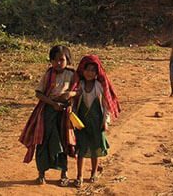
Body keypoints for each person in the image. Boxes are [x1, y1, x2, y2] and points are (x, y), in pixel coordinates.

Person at [19, 45, 77, 187]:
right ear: (51, 61)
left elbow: (79, 91)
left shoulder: (72, 75)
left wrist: (71, 94)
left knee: (64, 142)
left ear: (67, 60)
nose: (58, 63)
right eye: (55, 60)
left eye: (62, 60)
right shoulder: (48, 75)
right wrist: (52, 103)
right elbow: (38, 93)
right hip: (47, 112)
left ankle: (64, 174)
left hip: (64, 113)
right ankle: (41, 174)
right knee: (43, 141)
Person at [72, 55, 121, 188]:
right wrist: (74, 119)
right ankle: (79, 176)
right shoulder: (80, 85)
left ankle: (93, 173)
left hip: (97, 122)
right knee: (80, 150)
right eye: (87, 70)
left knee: (95, 148)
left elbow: (106, 106)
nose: (90, 73)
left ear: (97, 72)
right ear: (82, 70)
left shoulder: (100, 86)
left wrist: (106, 121)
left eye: (93, 70)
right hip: (81, 123)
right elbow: (74, 104)